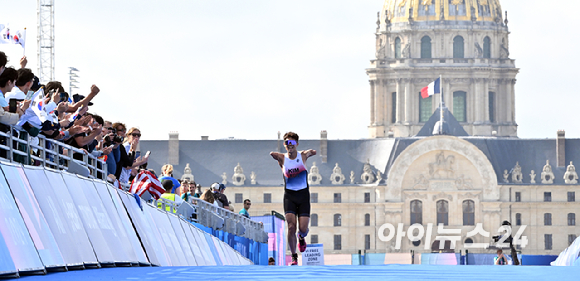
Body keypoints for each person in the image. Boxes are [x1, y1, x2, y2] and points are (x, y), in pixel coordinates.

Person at [269, 131, 316, 265]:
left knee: (302, 228)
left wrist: (311, 152)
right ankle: (294, 256)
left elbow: (311, 152)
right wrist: (274, 155)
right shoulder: (282, 158)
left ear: (297, 144)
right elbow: (273, 154)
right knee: (290, 227)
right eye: (287, 143)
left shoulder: (302, 156)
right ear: (285, 145)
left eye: (292, 143)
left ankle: (301, 237)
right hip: (289, 195)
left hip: (303, 195)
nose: (290, 146)